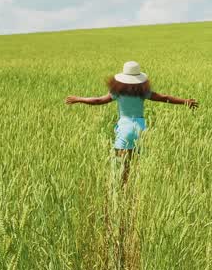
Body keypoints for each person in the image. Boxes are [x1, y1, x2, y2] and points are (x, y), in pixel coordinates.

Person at [65, 61, 198, 185]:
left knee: (120, 164)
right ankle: (134, 188)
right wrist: (185, 101)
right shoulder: (143, 92)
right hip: (141, 128)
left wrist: (79, 99)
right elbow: (165, 98)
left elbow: (98, 101)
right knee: (136, 163)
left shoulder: (118, 92)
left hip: (125, 128)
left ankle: (122, 189)